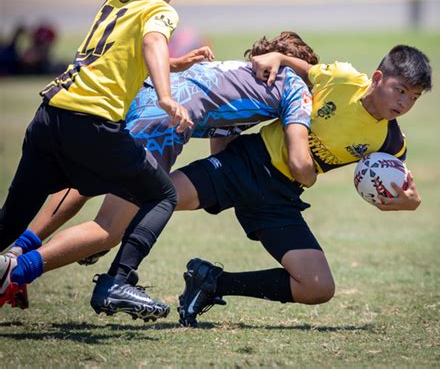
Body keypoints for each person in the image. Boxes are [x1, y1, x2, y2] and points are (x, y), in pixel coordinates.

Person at [0, 32, 318, 320]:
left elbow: (221, 160)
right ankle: (16, 272)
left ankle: (19, 249)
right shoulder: (294, 85)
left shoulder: (237, 73)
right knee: (109, 228)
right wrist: (307, 174)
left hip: (140, 100)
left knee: (86, 183)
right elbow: (299, 161)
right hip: (161, 123)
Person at [0, 0, 196, 318]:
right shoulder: (161, 8)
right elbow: (154, 42)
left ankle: (11, 261)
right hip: (92, 124)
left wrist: (174, 65)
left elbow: (121, 54)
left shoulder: (116, 0)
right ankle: (118, 279)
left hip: (50, 115)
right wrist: (166, 94)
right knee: (162, 196)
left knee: (11, 220)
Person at [173, 44, 432, 327]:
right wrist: (279, 57)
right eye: (401, 90)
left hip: (282, 197)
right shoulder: (343, 79)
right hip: (249, 162)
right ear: (378, 77)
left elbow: (400, 183)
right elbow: (306, 71)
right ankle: (120, 273)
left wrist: (410, 202)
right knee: (164, 196)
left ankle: (212, 282)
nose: (404, 103)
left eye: (415, 97)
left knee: (318, 287)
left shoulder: (390, 141)